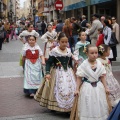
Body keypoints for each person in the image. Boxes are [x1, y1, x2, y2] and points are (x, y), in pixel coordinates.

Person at [34, 32, 76, 112]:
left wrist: (73, 68)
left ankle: (70, 106)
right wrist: (47, 72)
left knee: (70, 87)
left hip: (68, 72)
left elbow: (69, 62)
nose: (64, 44)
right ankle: (55, 106)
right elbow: (49, 63)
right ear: (58, 42)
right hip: (57, 71)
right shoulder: (54, 51)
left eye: (66, 42)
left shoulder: (69, 51)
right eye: (62, 42)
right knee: (56, 88)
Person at [73, 45, 110, 120]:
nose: (94, 55)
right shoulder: (84, 65)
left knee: (99, 102)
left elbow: (102, 76)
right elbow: (79, 77)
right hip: (87, 87)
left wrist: (106, 87)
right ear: (87, 53)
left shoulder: (99, 64)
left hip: (98, 87)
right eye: (92, 53)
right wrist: (77, 89)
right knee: (88, 103)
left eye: (96, 53)